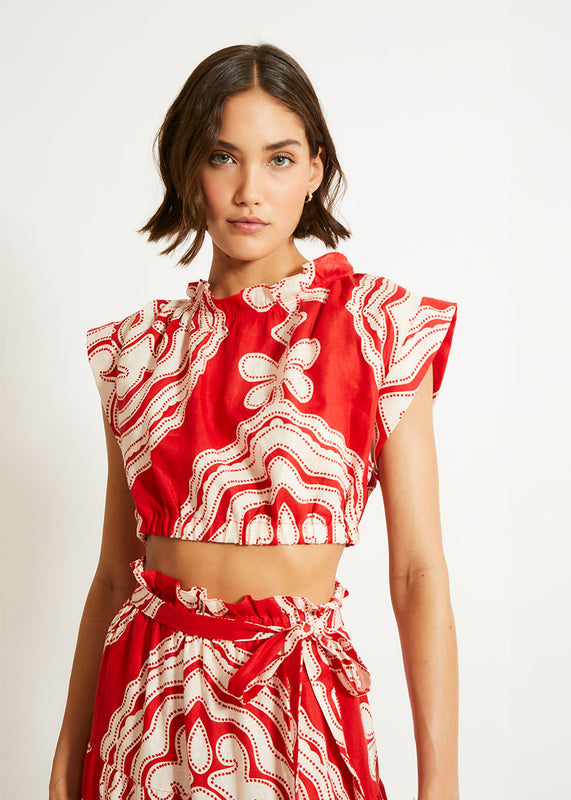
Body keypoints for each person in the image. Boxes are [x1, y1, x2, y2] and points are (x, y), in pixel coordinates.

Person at [49, 42, 459, 800]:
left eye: (278, 160)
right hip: (148, 716)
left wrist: (442, 784)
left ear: (314, 170)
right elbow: (113, 575)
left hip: (299, 714)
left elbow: (417, 573)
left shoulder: (380, 329)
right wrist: (68, 757)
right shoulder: (138, 353)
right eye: (222, 157)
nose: (249, 192)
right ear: (188, 170)